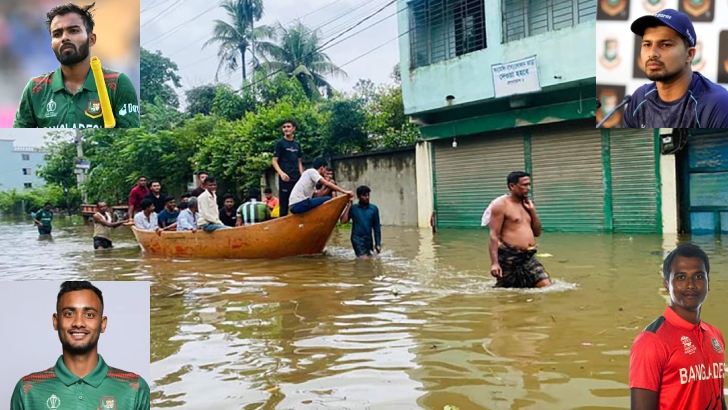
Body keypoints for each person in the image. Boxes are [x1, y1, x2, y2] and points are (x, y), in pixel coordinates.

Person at [10, 281, 150, 409]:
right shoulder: (28, 390)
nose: (78, 323)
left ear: (102, 324)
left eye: (89, 315)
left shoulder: (135, 389)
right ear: (56, 321)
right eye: (69, 314)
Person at [629, 243, 725, 410]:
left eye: (699, 276)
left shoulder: (715, 335)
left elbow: (718, 400)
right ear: (667, 285)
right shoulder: (651, 341)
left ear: (708, 282)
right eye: (681, 277)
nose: (691, 285)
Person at [12, 3, 140, 128]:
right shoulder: (35, 88)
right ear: (51, 44)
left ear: (92, 39)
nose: (64, 38)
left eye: (73, 31)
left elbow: (131, 141)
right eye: (57, 34)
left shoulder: (118, 83)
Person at [624, 9, 728, 128]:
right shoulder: (639, 98)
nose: (652, 53)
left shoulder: (717, 103)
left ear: (689, 55)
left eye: (665, 45)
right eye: (647, 45)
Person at [488, 171, 552, 288]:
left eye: (529, 185)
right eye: (524, 185)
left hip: (528, 256)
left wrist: (532, 211)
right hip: (509, 257)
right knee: (506, 294)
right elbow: (494, 235)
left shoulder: (527, 204)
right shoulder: (501, 205)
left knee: (547, 287)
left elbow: (537, 232)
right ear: (512, 186)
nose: (528, 188)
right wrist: (494, 263)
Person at [289, 157, 353, 214]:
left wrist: (327, 187)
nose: (325, 171)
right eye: (325, 169)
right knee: (329, 199)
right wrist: (345, 191)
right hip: (299, 204)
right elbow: (326, 183)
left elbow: (319, 195)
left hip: (296, 205)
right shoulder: (312, 172)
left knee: (326, 199)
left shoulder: (311, 181)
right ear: (322, 168)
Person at [271, 119, 303, 217]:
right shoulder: (280, 144)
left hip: (296, 178)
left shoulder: (297, 145)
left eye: (288, 126)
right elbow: (274, 161)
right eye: (284, 127)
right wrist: (281, 173)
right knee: (284, 205)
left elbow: (299, 161)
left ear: (293, 129)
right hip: (285, 179)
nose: (286, 129)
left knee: (298, 202)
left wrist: (302, 175)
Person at [340, 185, 382, 259]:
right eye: (364, 195)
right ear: (359, 197)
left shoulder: (374, 209)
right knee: (364, 259)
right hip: (357, 239)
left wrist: (378, 243)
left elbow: (376, 228)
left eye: (368, 195)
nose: (367, 197)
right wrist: (348, 206)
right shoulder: (354, 208)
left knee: (370, 260)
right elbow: (343, 221)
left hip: (368, 239)